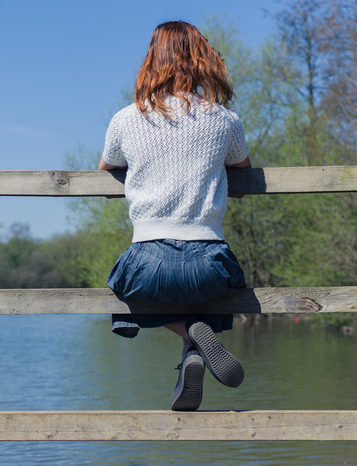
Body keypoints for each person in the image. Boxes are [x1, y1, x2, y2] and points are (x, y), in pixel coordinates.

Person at [98, 20, 251, 411]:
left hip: (148, 262)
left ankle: (189, 334)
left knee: (122, 291)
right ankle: (192, 345)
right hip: (212, 262)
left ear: (151, 60)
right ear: (202, 60)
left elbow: (106, 166)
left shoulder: (126, 118)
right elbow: (242, 164)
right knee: (201, 289)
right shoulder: (224, 119)